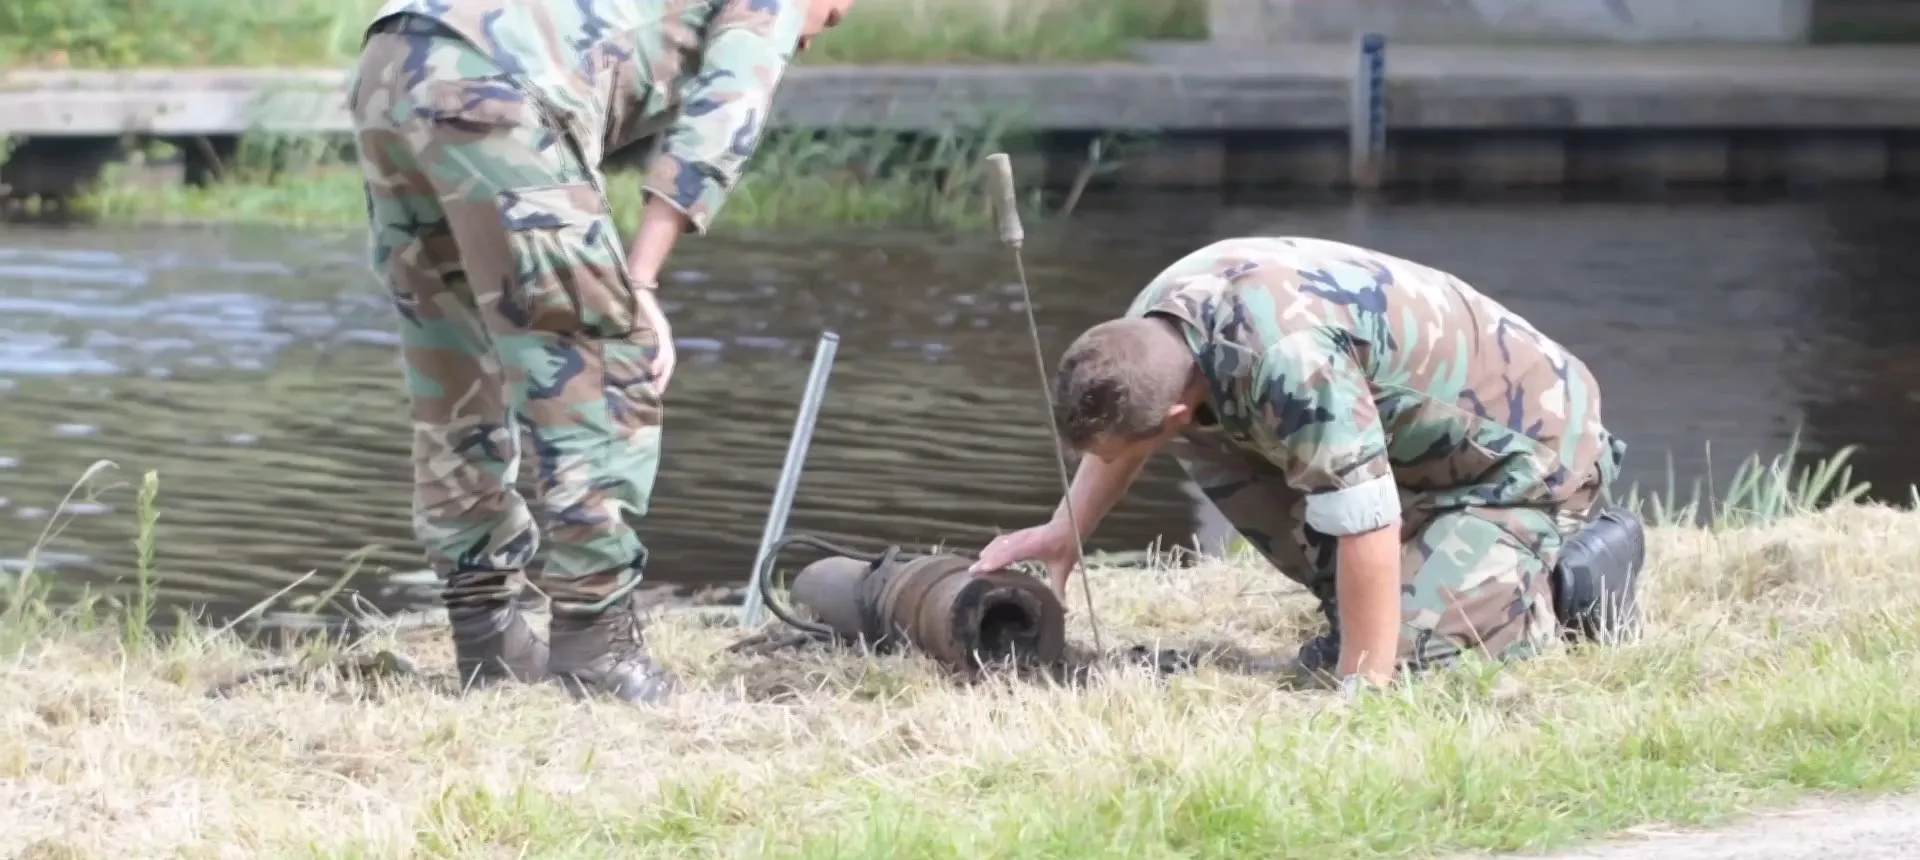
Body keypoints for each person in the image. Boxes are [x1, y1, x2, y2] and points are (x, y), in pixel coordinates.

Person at [346, 0, 858, 704]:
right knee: (600, 357)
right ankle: (596, 645)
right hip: (497, 79)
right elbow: (719, 123)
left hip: (393, 58)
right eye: (829, 21)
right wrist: (639, 282)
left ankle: (486, 636)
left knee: (453, 366)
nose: (815, 35)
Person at [971, 236, 1643, 690]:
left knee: (1417, 663)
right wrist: (1065, 531)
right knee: (1218, 442)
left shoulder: (1292, 365)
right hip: (1408, 441)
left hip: (1528, 453)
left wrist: (1361, 689)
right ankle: (1402, 590)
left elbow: (1366, 521)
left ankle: (1571, 574)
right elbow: (1124, 438)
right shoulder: (1149, 332)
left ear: (1172, 411)